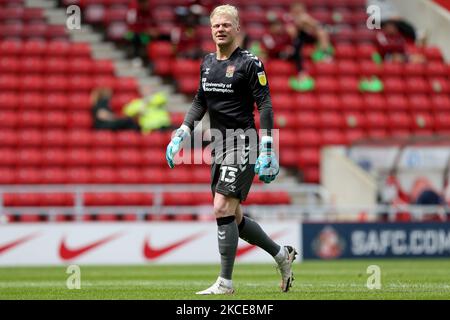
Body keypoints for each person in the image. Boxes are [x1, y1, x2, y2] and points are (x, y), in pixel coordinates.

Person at [165, 5, 298, 295]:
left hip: (243, 142)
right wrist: (182, 132)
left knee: (221, 207)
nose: (221, 29)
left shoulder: (251, 63)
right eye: (216, 25)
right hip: (219, 145)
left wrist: (266, 147)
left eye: (227, 24)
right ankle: (280, 255)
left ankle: (225, 283)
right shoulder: (207, 63)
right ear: (211, 30)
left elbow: (265, 104)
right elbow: (200, 101)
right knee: (233, 217)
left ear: (237, 29)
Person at [285, 2, 333, 91]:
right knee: (297, 48)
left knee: (322, 32)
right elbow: (292, 33)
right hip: (296, 39)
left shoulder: (305, 17)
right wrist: (298, 24)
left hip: (306, 36)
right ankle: (301, 72)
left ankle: (325, 54)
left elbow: (316, 26)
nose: (299, 11)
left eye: (300, 9)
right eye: (297, 9)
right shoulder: (289, 18)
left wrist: (308, 23)